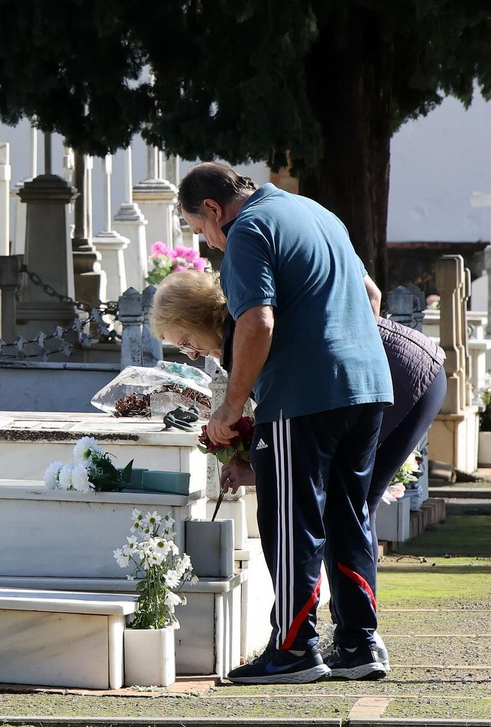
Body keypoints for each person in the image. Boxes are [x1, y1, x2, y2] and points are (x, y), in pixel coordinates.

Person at [176, 162, 394, 684]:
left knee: (293, 521)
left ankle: (294, 648)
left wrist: (231, 406)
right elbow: (371, 295)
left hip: (304, 395)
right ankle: (359, 643)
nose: (206, 242)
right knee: (348, 516)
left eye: (198, 228)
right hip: (366, 385)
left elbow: (257, 321)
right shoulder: (314, 212)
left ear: (213, 209)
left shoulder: (248, 229)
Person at [151, 268, 447, 525]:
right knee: (348, 505)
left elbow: (290, 418)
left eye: (187, 342)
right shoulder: (237, 332)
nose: (192, 355)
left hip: (401, 375)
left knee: (350, 507)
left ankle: (350, 578)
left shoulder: (247, 334)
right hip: (399, 371)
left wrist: (259, 468)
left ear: (200, 318)